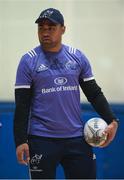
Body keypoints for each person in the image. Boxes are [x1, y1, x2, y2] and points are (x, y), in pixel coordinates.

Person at [14, 8, 119, 179]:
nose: (45, 32)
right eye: (41, 27)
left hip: (77, 139)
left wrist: (112, 120)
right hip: (41, 140)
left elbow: (94, 93)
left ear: (63, 29)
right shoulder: (28, 61)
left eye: (51, 27)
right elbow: (22, 105)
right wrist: (20, 141)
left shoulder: (77, 57)